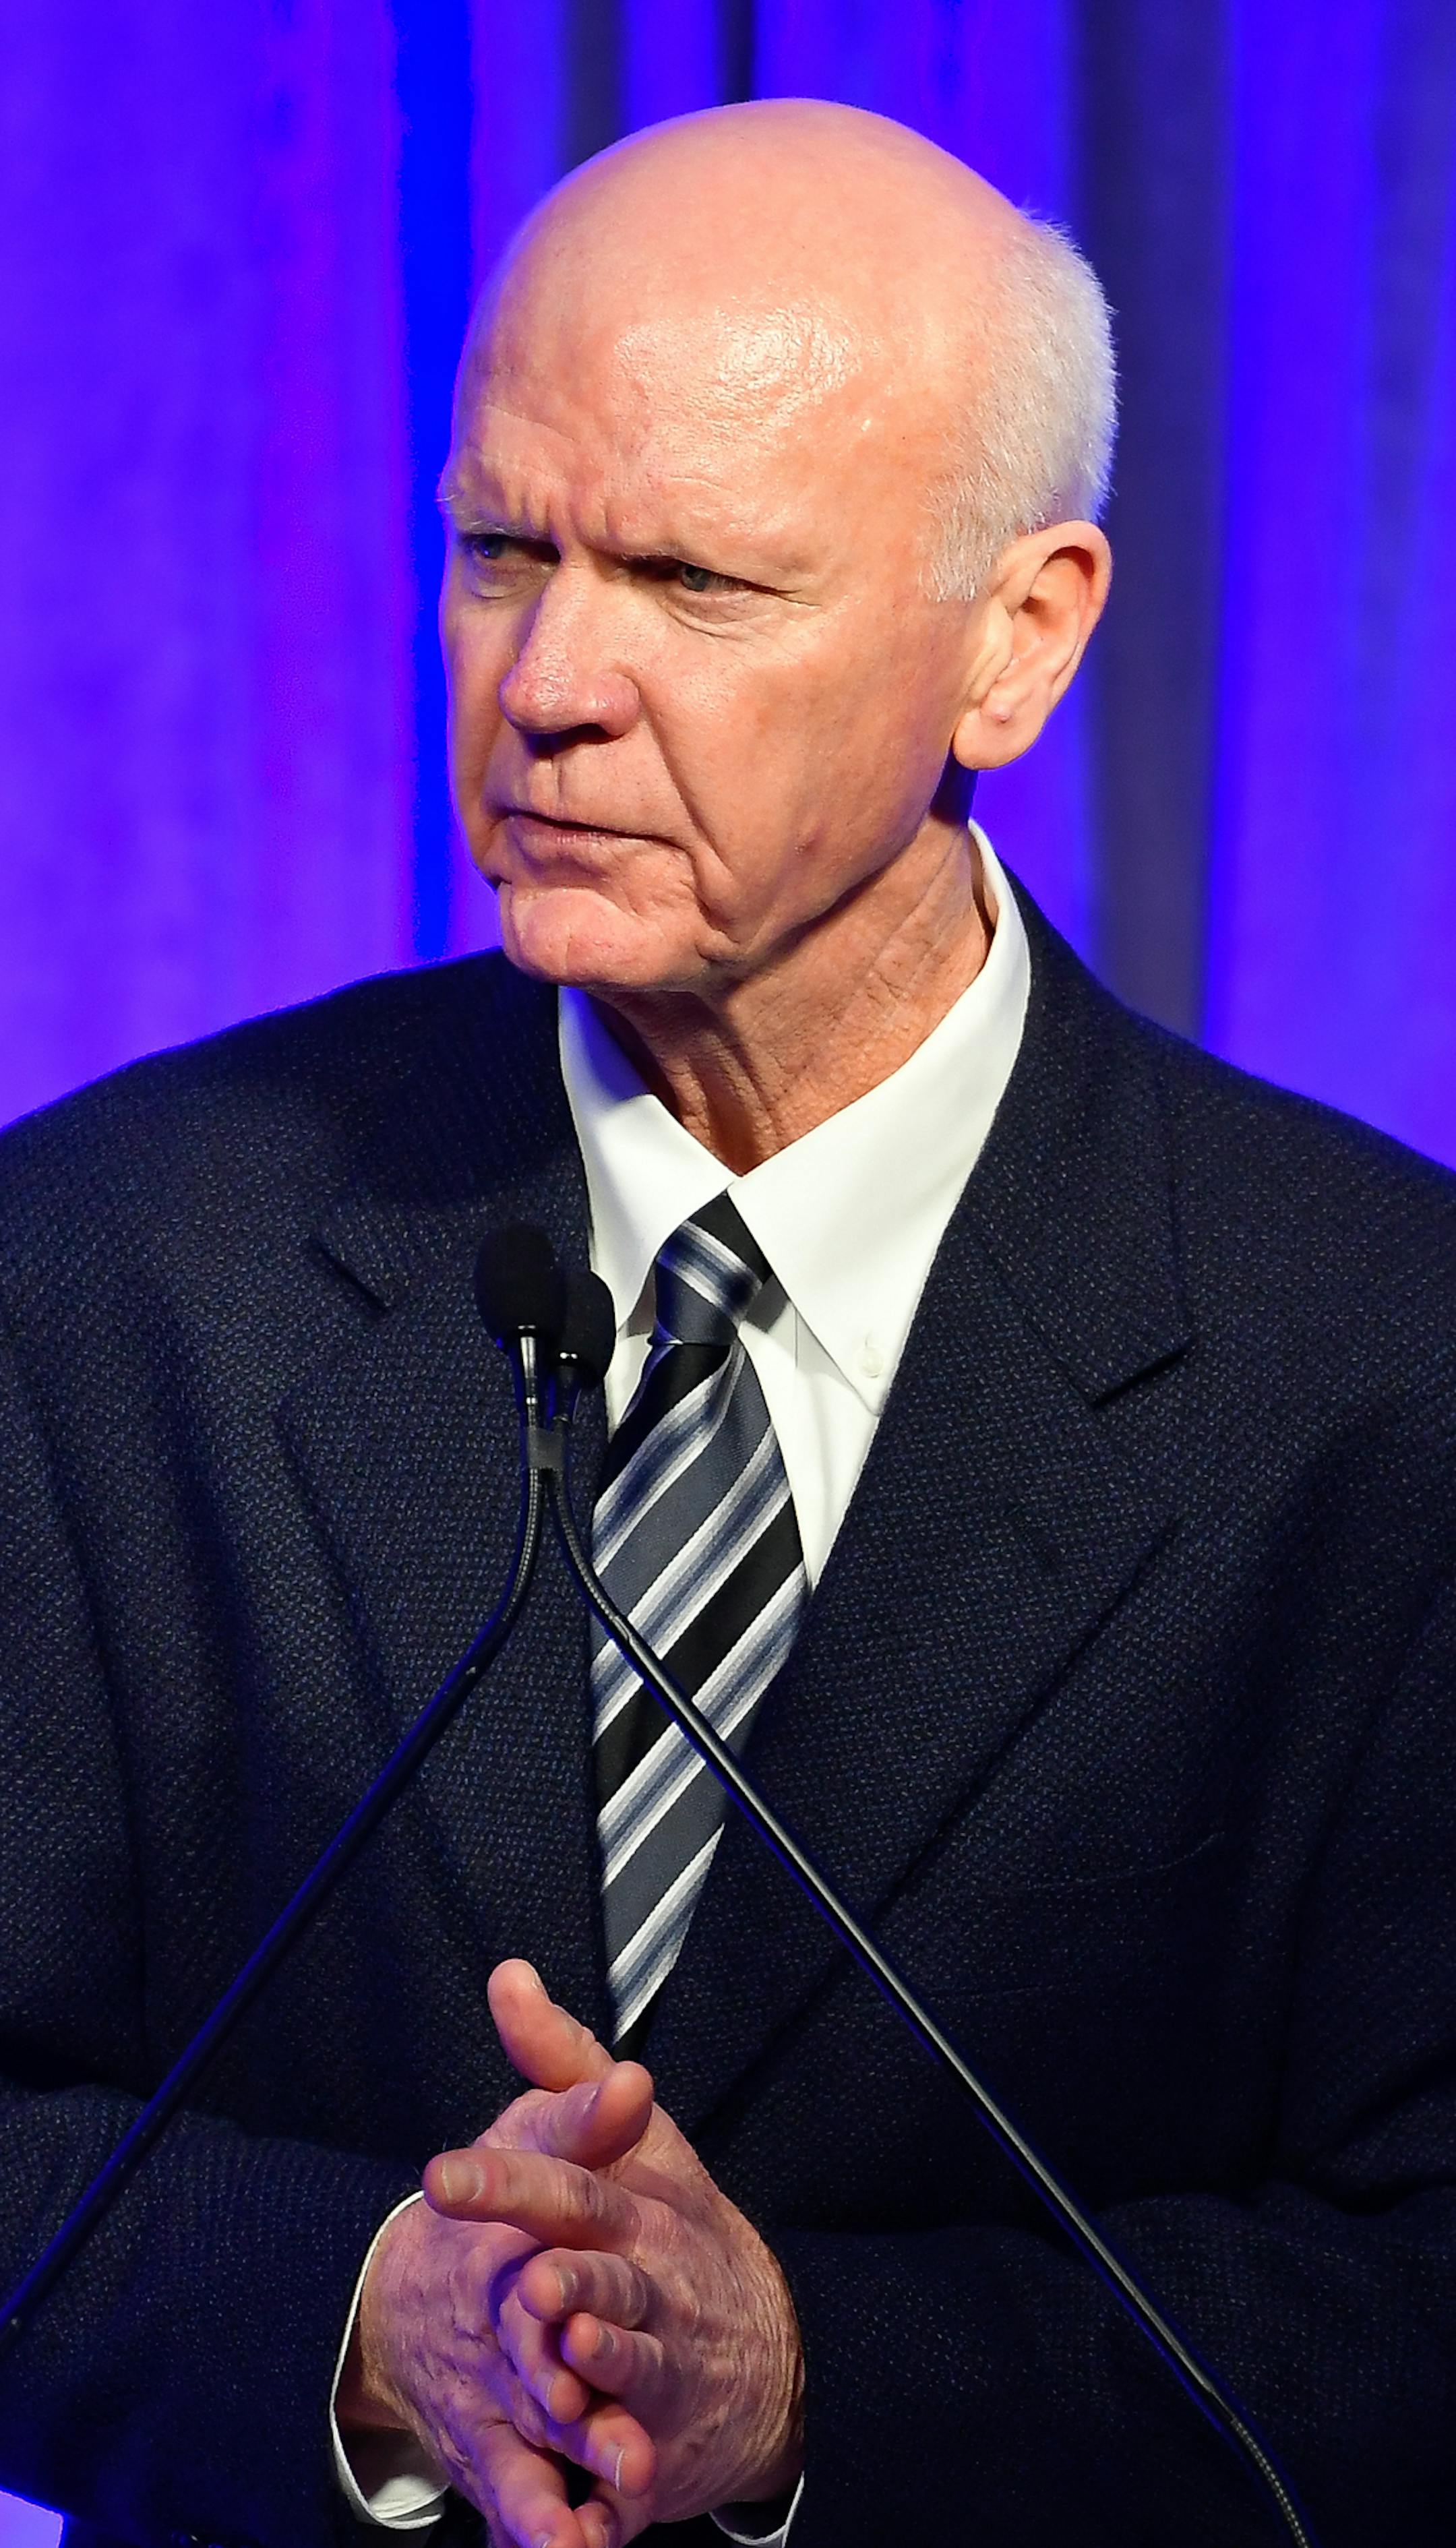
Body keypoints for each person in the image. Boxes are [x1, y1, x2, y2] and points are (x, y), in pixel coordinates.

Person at [1, 96, 1453, 2548]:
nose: (551, 679)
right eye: (497, 549)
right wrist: (364, 2320)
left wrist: (823, 2380)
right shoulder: (112, 1267)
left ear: (1022, 634)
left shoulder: (1383, 1370)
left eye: (692, 578)